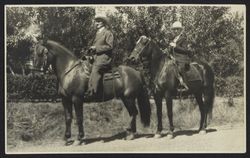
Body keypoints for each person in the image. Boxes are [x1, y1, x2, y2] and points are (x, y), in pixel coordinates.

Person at [86, 15, 114, 97]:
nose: (96, 23)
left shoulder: (108, 33)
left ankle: (92, 92)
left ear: (103, 23)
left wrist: (96, 48)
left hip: (104, 59)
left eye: (99, 21)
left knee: (95, 69)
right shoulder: (97, 33)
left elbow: (110, 46)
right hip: (96, 58)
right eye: (96, 21)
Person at [167, 21, 193, 91]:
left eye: (177, 29)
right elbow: (170, 50)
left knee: (180, 68)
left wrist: (175, 46)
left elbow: (185, 50)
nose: (175, 31)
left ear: (180, 30)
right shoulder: (173, 39)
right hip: (173, 58)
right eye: (174, 29)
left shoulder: (183, 39)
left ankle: (185, 84)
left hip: (181, 58)